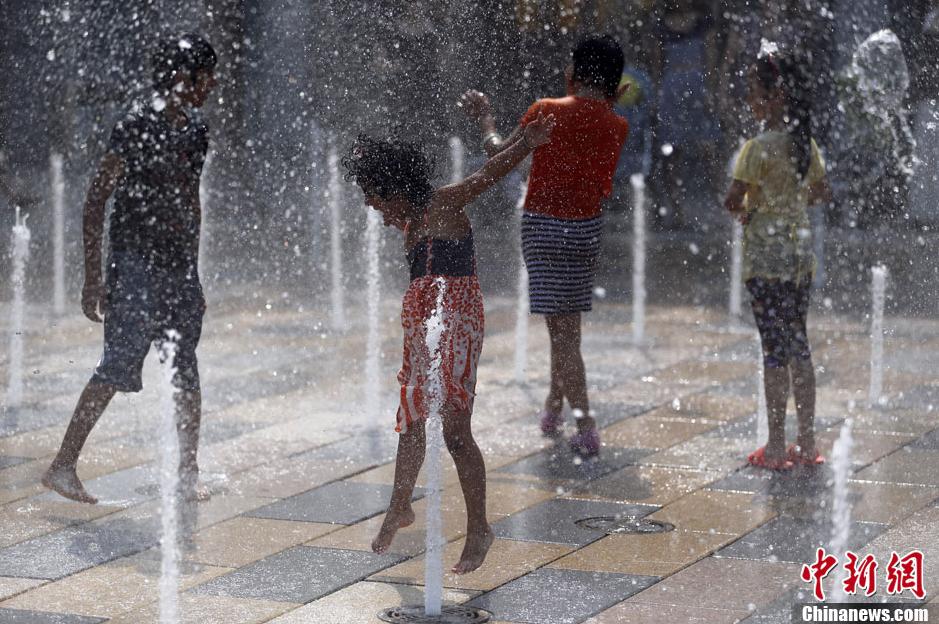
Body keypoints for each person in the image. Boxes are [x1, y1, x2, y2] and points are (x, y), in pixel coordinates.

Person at [342, 112, 555, 574]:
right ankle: (400, 506)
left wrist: (526, 144)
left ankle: (480, 527)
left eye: (376, 201)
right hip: (423, 324)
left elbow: (487, 173)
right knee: (412, 418)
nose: (375, 212)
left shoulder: (442, 204)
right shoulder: (409, 225)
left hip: (457, 322)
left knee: (457, 433)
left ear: (396, 192)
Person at [42, 33, 218, 503]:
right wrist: (93, 277)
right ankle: (62, 465)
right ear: (184, 78)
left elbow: (190, 202)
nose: (213, 84)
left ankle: (187, 471)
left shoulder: (195, 130)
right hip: (135, 265)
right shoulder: (135, 126)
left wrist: (193, 272)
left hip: (177, 268)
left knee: (186, 368)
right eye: (207, 75)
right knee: (116, 366)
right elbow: (97, 198)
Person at [461, 34, 629, 457]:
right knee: (566, 328)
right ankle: (554, 405)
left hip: (543, 230)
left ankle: (586, 424)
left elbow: (499, 155)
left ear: (573, 72)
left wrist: (485, 120)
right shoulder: (617, 124)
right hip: (586, 231)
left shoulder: (546, 111)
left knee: (563, 334)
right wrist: (609, 104)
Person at [723, 51, 831, 470]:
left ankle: (774, 447)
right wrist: (791, 201)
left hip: (766, 259)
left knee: (773, 348)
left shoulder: (757, 148)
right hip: (799, 257)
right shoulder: (806, 144)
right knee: (799, 342)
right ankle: (807, 443)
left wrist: (754, 207)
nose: (750, 100)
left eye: (753, 92)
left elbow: (733, 199)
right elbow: (821, 192)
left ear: (773, 97)